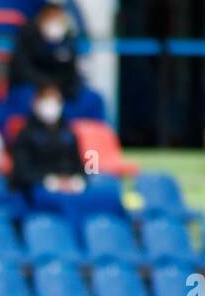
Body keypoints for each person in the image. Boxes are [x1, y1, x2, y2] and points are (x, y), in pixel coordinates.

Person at [9, 83, 123, 232]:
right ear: (35, 103)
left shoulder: (69, 133)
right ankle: (79, 245)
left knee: (110, 197)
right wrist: (52, 182)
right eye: (46, 99)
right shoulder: (25, 135)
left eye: (55, 100)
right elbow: (22, 172)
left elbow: (80, 167)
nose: (51, 105)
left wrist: (76, 181)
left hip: (71, 186)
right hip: (40, 190)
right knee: (69, 203)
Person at [2, 1, 105, 125]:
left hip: (61, 90)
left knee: (93, 98)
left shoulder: (68, 40)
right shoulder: (26, 37)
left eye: (58, 16)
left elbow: (72, 72)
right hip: (35, 88)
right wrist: (46, 87)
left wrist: (61, 89)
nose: (54, 21)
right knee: (23, 97)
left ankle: (92, 138)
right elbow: (21, 71)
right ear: (41, 19)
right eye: (50, 16)